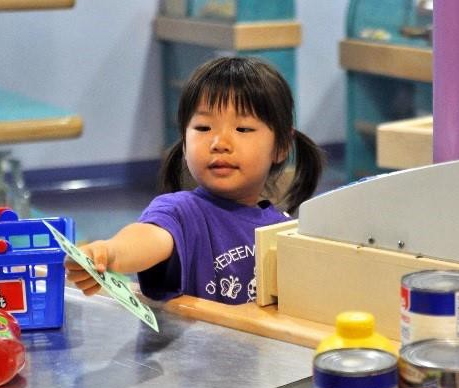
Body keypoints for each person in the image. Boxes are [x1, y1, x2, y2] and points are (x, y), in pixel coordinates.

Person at [66, 56, 325, 304]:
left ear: (281, 146)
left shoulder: (284, 229)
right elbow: (148, 237)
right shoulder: (182, 212)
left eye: (243, 129)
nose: (219, 143)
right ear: (184, 142)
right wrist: (109, 253)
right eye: (203, 128)